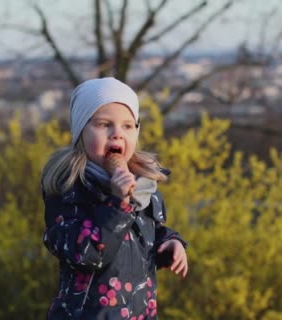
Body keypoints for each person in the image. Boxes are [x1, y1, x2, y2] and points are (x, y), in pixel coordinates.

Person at [41, 77, 188, 320]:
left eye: (128, 126)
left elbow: (143, 238)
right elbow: (86, 254)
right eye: (104, 124)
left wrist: (169, 243)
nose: (117, 134)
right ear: (81, 132)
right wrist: (118, 203)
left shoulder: (143, 188)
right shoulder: (69, 189)